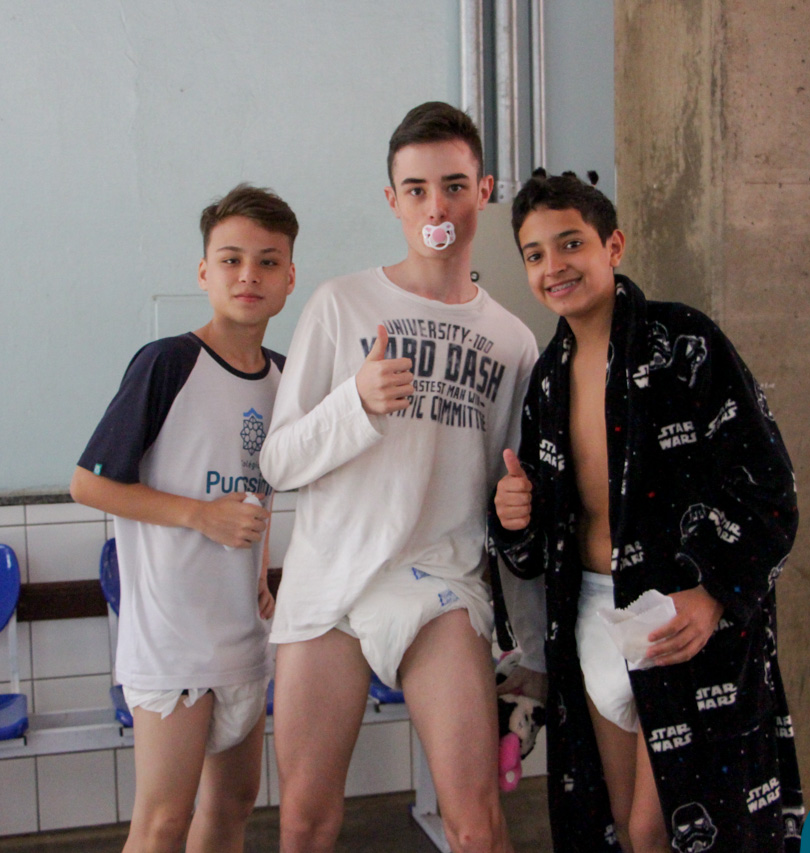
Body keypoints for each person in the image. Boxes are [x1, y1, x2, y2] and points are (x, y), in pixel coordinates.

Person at [259, 101, 545, 853]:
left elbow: (509, 486)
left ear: (484, 191)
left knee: (476, 826)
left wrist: (518, 505)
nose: (436, 207)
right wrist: (354, 401)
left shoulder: (512, 340)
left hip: (437, 578)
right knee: (305, 822)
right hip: (330, 583)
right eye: (416, 189)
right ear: (393, 200)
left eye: (453, 186)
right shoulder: (340, 304)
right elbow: (278, 461)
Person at [491, 170, 805, 852]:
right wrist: (514, 515)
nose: (554, 266)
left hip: (678, 615)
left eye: (570, 243)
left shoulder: (685, 341)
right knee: (620, 830)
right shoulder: (547, 379)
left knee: (658, 827)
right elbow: (536, 541)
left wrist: (714, 593)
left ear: (613, 246)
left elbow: (770, 486)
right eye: (536, 254)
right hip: (590, 617)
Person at [69, 184, 297, 853]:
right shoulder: (167, 362)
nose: (248, 275)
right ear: (204, 272)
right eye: (231, 259)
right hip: (172, 639)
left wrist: (261, 570)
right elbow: (88, 483)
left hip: (244, 634)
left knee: (233, 806)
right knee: (163, 819)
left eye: (267, 261)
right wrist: (199, 515)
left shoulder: (286, 378)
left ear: (289, 278)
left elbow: (260, 486)